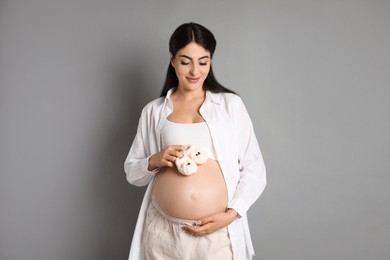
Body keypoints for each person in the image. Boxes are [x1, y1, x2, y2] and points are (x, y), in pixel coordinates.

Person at [124, 22, 267, 260]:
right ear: (172, 59)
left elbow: (255, 168)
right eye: (185, 61)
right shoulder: (154, 111)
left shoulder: (230, 106)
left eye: (203, 61)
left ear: (210, 60)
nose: (195, 71)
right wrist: (155, 159)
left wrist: (232, 214)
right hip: (163, 233)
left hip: (217, 232)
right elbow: (132, 173)